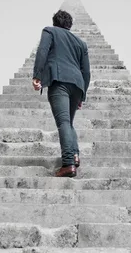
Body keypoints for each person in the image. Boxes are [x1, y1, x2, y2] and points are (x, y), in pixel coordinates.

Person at [32, 9, 91, 177]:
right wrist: (82, 95)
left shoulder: (50, 31)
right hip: (77, 85)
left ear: (54, 22)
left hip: (59, 81)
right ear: (70, 25)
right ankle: (74, 154)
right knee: (69, 123)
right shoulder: (81, 43)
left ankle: (68, 164)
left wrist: (37, 75)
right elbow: (86, 72)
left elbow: (42, 51)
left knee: (63, 122)